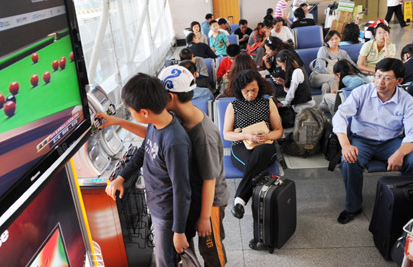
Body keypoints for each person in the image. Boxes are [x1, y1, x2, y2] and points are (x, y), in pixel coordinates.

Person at [103, 73, 192, 266]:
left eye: (130, 110)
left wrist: (178, 231)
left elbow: (182, 191)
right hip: (158, 205)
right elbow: (143, 151)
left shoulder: (174, 142)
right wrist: (121, 177)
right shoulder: (156, 123)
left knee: (164, 261)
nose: (129, 113)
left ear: (144, 112)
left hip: (167, 215)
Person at [158, 66, 230, 266]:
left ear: (170, 97)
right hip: (195, 195)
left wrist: (205, 217)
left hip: (211, 201)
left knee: (210, 248)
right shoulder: (183, 115)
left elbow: (210, 179)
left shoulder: (203, 134)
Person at [332, 58, 413, 224]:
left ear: (399, 81)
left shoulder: (408, 101)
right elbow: (340, 116)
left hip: (392, 141)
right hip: (362, 139)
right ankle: (353, 206)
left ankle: (401, 200)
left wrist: (400, 153)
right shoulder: (361, 92)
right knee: (349, 159)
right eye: (378, 76)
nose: (380, 82)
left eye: (386, 78)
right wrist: (346, 145)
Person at [223, 69, 283, 220]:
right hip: (241, 146)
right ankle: (258, 195)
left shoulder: (267, 103)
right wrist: (246, 135)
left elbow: (279, 131)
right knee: (256, 170)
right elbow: (226, 134)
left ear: (259, 87)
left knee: (261, 152)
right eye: (246, 91)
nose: (250, 94)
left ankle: (239, 200)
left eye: (254, 90)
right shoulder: (234, 105)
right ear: (240, 90)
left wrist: (266, 136)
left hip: (265, 145)